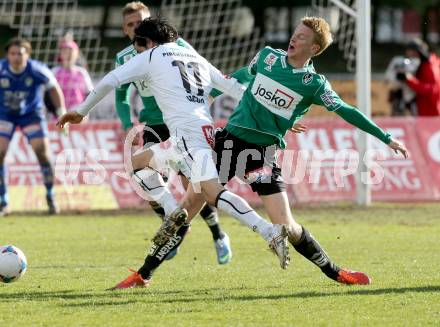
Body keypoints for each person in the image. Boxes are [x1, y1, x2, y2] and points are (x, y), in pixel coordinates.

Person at [110, 16, 410, 290]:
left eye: (302, 38)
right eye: (295, 33)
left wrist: (385, 137)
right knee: (185, 210)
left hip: (261, 154)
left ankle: (336, 272)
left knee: (287, 226)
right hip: (227, 143)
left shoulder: (314, 84)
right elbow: (240, 75)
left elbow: (347, 110)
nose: (294, 39)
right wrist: (204, 98)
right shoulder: (267, 56)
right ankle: (144, 274)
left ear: (314, 48)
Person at [57, 17, 290, 283]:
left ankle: (267, 231)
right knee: (136, 163)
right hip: (201, 132)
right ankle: (171, 209)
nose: (139, 52)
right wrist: (275, 114)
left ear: (148, 42)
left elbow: (110, 81)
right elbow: (234, 88)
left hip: (188, 136)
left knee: (212, 192)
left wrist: (80, 111)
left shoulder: (151, 55)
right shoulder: (195, 57)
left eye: (139, 47)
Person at [114, 1, 232, 264]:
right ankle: (174, 228)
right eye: (131, 25)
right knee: (149, 182)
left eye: (140, 22)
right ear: (124, 30)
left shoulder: (176, 47)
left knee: (195, 188)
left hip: (181, 123)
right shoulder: (124, 58)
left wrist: (206, 101)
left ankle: (219, 235)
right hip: (154, 124)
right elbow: (120, 94)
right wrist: (126, 125)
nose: (136, 28)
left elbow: (208, 74)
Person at [0, 37, 66, 215]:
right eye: (12, 54)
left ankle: (50, 195)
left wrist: (61, 112)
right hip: (5, 115)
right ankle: (3, 201)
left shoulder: (37, 69)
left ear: (27, 55)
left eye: (20, 54)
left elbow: (54, 88)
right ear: (7, 55)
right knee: (0, 152)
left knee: (42, 152)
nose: (16, 57)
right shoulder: (1, 69)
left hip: (31, 115)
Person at [397, 38, 440, 116]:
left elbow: (432, 89)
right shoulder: (424, 65)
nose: (409, 56)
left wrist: (410, 79)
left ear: (417, 52)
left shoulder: (430, 66)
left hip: (431, 113)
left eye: (410, 53)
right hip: (424, 111)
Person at [52, 39, 93, 110]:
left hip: (78, 112)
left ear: (76, 54)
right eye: (65, 52)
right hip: (59, 113)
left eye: (71, 52)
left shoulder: (81, 72)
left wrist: (86, 111)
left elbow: (90, 92)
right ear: (61, 54)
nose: (68, 55)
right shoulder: (54, 72)